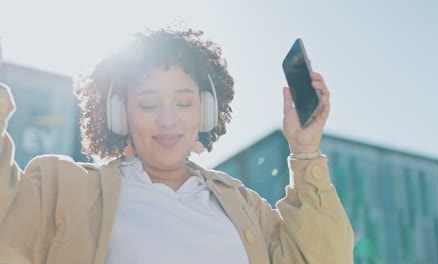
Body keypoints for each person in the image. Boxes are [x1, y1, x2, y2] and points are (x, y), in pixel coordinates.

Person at [0, 27, 354, 264]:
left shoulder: (247, 207)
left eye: (184, 103)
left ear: (206, 111)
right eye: (149, 104)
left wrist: (305, 151)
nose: (168, 120)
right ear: (119, 114)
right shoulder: (64, 188)